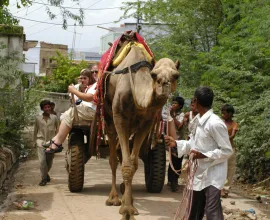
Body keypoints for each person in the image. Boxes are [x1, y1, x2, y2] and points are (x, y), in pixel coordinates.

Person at [165, 86, 233, 220]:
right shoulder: (197, 121)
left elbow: (226, 151)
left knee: (212, 211)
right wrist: (176, 144)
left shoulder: (215, 123)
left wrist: (203, 155)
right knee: (193, 210)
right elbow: (193, 144)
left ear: (195, 101)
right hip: (198, 174)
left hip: (213, 175)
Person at [43, 68, 97, 154]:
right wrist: (74, 92)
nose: (94, 73)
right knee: (65, 115)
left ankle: (57, 142)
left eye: (96, 72)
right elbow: (75, 101)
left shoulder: (97, 84)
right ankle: (56, 139)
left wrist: (74, 91)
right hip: (85, 109)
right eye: (81, 78)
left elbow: (89, 98)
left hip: (90, 111)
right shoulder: (82, 86)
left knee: (70, 113)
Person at [33, 100, 59, 186]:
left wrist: (58, 142)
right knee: (42, 162)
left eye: (48, 107)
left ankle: (46, 174)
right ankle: (43, 179)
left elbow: (58, 131)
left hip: (51, 143)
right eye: (45, 107)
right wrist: (34, 142)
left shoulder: (54, 117)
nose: (47, 109)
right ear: (42, 109)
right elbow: (35, 131)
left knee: (49, 162)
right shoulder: (38, 118)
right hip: (40, 142)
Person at [166, 96, 186, 192]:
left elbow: (180, 126)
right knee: (172, 161)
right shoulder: (169, 114)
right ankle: (170, 181)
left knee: (177, 162)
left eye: (175, 103)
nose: (173, 105)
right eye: (172, 103)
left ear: (180, 106)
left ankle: (175, 181)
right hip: (171, 141)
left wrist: (173, 116)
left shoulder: (182, 115)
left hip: (179, 142)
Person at [221, 104, 239, 198]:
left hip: (230, 148)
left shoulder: (234, 124)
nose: (222, 115)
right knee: (220, 168)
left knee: (230, 169)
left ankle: (226, 189)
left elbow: (232, 136)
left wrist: (223, 138)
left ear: (230, 113)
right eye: (222, 113)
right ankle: (219, 188)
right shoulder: (220, 122)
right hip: (220, 148)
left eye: (224, 113)